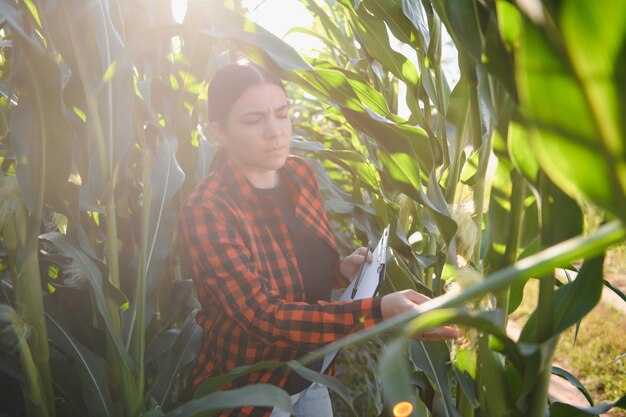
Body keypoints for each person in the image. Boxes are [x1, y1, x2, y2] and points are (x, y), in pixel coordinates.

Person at [178, 59, 459, 417]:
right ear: (220, 130)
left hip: (313, 373)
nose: (275, 131)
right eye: (253, 120)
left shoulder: (300, 174)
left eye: (282, 114)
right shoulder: (208, 209)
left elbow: (298, 270)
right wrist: (381, 311)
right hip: (252, 393)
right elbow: (264, 316)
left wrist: (341, 271)